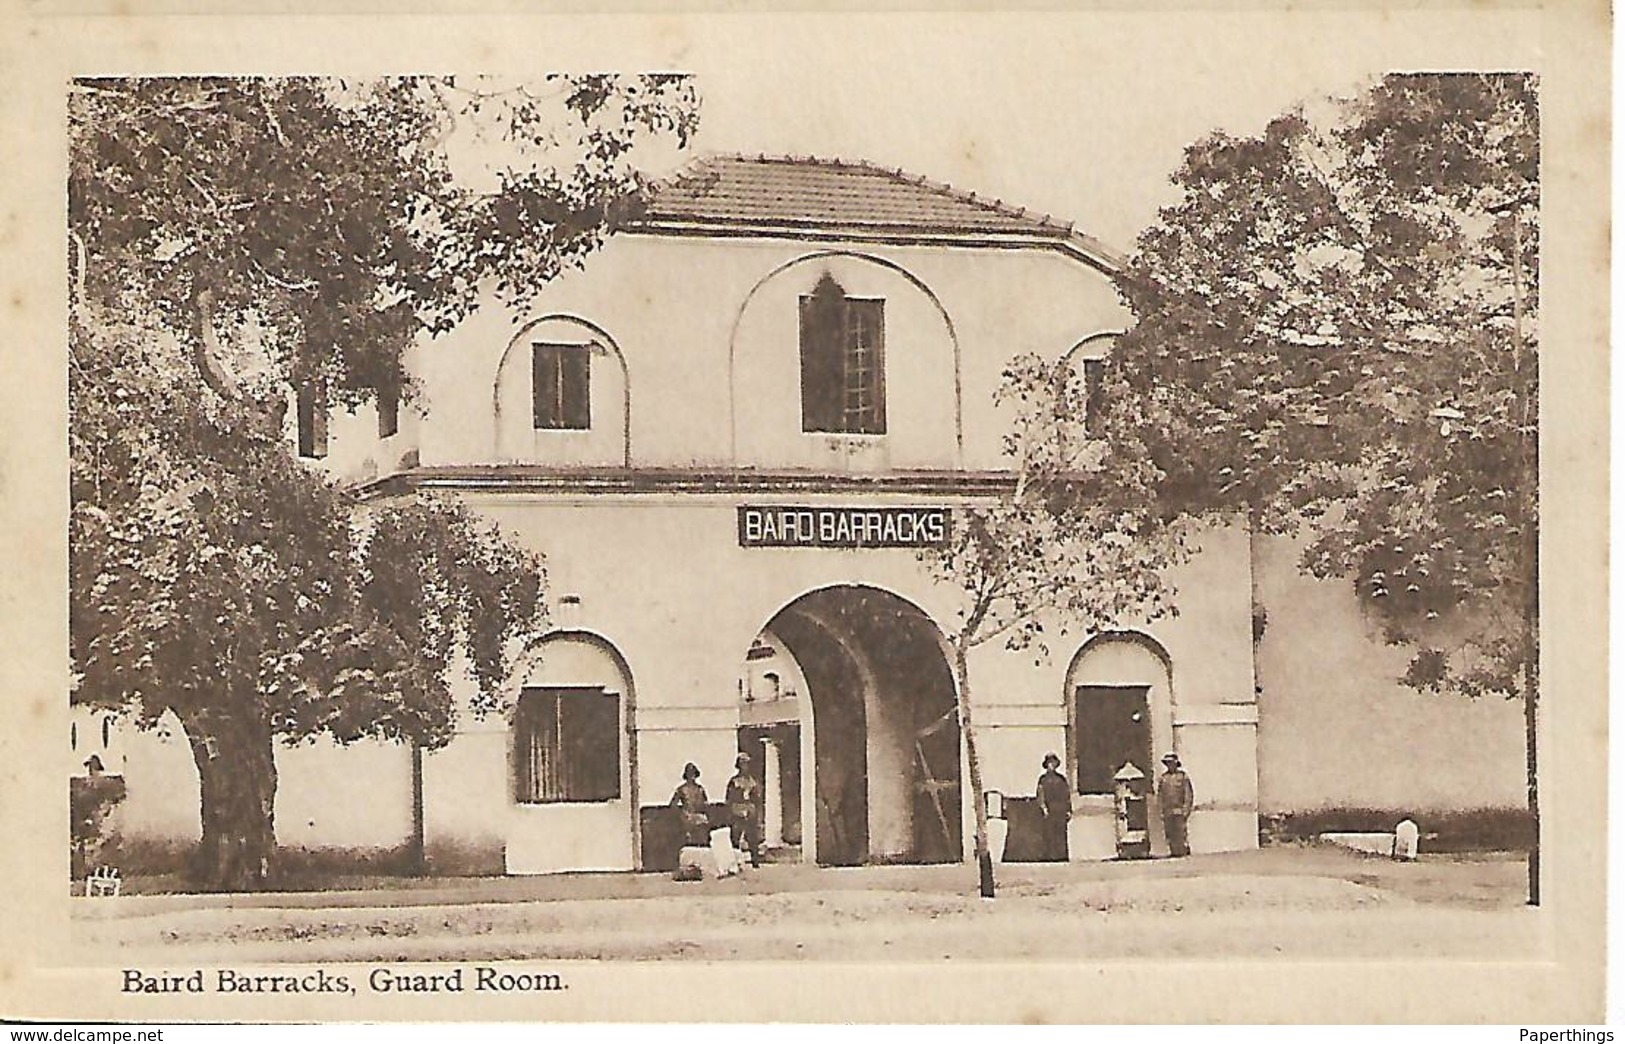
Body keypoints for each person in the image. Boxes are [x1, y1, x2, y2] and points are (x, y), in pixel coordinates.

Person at [725, 752, 763, 868]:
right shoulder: (734, 781)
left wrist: (756, 811)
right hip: (737, 810)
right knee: (735, 836)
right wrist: (734, 811)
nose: (745, 766)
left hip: (750, 810)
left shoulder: (753, 782)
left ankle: (755, 860)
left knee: (752, 836)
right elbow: (729, 799)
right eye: (742, 764)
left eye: (747, 764)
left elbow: (757, 798)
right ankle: (735, 862)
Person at [1157, 752, 1195, 858]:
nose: (1170, 765)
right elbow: (1160, 797)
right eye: (1168, 763)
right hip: (1168, 811)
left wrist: (1186, 810)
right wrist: (1161, 811)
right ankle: (1173, 852)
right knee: (1170, 833)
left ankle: (1182, 852)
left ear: (1176, 763)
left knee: (1180, 833)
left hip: (1179, 810)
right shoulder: (1163, 779)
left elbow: (1188, 794)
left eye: (1171, 763)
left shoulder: (1182, 777)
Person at [1035, 752, 1071, 862]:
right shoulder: (1043, 779)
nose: (1051, 765)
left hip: (1060, 809)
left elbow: (1066, 795)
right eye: (1049, 763)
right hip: (1049, 809)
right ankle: (1049, 856)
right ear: (1046, 765)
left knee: (1060, 832)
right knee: (1048, 833)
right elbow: (1040, 794)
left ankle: (1061, 856)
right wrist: (1043, 808)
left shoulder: (1061, 779)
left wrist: (1068, 809)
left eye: (1053, 763)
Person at [670, 762, 711, 849]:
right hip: (687, 817)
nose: (691, 776)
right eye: (689, 774)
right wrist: (682, 814)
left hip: (699, 817)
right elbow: (673, 804)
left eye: (693, 774)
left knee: (703, 832)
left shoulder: (700, 789)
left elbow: (705, 804)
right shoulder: (681, 789)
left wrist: (703, 814)